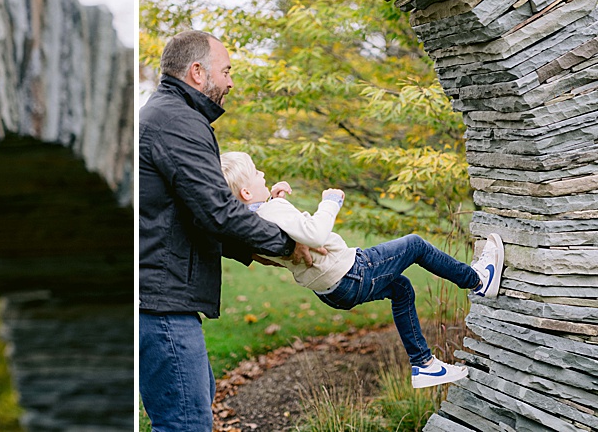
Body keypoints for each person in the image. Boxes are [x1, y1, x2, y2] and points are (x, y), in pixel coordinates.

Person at [139, 30, 321, 431]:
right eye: (227, 70)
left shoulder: (170, 115)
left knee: (194, 405)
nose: (231, 81)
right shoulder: (176, 121)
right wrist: (286, 245)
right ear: (198, 72)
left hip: (162, 300)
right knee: (186, 423)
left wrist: (249, 251)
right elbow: (218, 210)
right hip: (161, 304)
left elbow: (185, 215)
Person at [219, 150, 505, 388]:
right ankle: (479, 280)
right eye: (257, 173)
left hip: (333, 291)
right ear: (246, 191)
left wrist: (275, 199)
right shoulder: (272, 212)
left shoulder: (253, 224)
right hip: (352, 270)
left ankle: (424, 364)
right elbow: (315, 234)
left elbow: (279, 226)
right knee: (415, 245)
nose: (263, 175)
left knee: (402, 289)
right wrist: (329, 203)